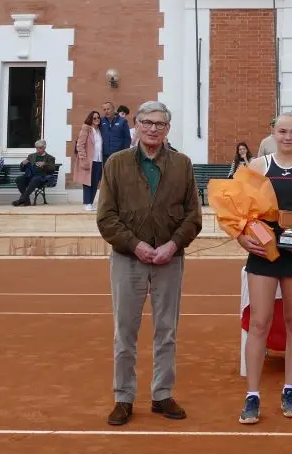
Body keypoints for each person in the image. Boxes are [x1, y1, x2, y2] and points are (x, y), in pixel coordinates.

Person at [96, 100, 202, 427]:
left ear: (167, 128)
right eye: (147, 122)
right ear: (137, 126)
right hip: (128, 260)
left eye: (159, 123)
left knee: (166, 331)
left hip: (169, 259)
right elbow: (106, 218)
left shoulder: (182, 165)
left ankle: (162, 394)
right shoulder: (116, 164)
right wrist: (136, 245)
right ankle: (123, 397)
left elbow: (192, 217)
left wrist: (172, 245)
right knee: (125, 332)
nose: (153, 128)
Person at [238, 114, 292, 424]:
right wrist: (242, 239)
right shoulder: (257, 167)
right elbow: (236, 210)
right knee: (259, 322)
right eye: (282, 131)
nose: (288, 136)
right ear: (272, 132)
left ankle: (289, 389)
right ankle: (252, 395)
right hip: (263, 253)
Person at [74, 110, 104, 212]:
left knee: (95, 183)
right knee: (87, 182)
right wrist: (83, 158)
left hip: (99, 160)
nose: (97, 119)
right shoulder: (86, 129)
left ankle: (90, 203)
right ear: (90, 119)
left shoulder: (100, 130)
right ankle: (87, 203)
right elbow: (80, 145)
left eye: (98, 117)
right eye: (94, 118)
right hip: (89, 160)